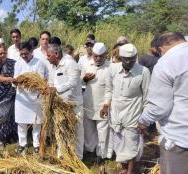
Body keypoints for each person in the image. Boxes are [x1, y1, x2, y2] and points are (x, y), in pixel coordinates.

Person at [138, 32, 188, 174]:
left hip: (180, 139)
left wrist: (142, 121)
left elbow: (160, 106)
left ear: (161, 48)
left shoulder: (167, 62)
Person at [100, 43, 150, 174]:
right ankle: (123, 168)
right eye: (126, 60)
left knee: (131, 143)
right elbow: (109, 89)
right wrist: (106, 105)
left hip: (133, 112)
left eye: (132, 60)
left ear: (135, 57)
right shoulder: (112, 69)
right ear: (121, 58)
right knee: (118, 141)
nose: (129, 63)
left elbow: (147, 97)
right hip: (116, 112)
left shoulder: (143, 71)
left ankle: (131, 171)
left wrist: (144, 119)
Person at [46, 44, 84, 159]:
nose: (47, 58)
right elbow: (51, 83)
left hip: (74, 104)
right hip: (60, 105)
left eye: (48, 55)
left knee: (77, 131)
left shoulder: (70, 63)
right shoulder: (52, 67)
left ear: (56, 54)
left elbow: (73, 82)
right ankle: (62, 155)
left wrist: (56, 89)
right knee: (61, 129)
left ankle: (78, 158)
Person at [13, 41, 47, 155]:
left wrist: (27, 81)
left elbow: (40, 81)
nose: (23, 56)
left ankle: (36, 144)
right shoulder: (18, 63)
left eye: (25, 53)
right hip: (21, 97)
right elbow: (15, 79)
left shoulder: (39, 63)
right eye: (21, 54)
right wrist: (16, 81)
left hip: (35, 97)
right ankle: (22, 143)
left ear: (32, 51)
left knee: (36, 122)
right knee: (21, 122)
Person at [81, 43, 113, 159]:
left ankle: (101, 155)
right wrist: (85, 79)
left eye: (101, 56)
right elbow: (80, 82)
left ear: (105, 55)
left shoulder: (110, 67)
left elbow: (111, 89)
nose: (98, 59)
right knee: (88, 130)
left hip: (102, 105)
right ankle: (90, 150)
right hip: (88, 103)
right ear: (92, 55)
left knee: (102, 131)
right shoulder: (86, 64)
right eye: (96, 56)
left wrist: (106, 105)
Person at [0, 44, 17, 149]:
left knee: (11, 114)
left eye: (4, 53)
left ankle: (11, 136)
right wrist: (10, 79)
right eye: (0, 53)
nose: (2, 55)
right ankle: (0, 139)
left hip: (11, 92)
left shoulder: (13, 63)